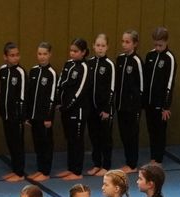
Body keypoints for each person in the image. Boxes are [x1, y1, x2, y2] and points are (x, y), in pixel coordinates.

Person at [58, 39, 91, 180]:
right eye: (71, 50)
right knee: (70, 139)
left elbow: (80, 90)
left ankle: (77, 171)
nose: (72, 53)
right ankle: (71, 168)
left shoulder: (84, 67)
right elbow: (61, 83)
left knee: (77, 140)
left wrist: (69, 104)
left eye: (76, 51)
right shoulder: (68, 64)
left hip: (78, 110)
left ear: (83, 52)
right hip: (66, 109)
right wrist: (60, 102)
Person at [26, 43, 58, 181]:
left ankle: (45, 171)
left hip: (45, 117)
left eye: (45, 54)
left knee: (46, 144)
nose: (42, 57)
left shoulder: (52, 73)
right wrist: (28, 115)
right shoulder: (33, 71)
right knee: (37, 143)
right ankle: (40, 169)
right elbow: (29, 94)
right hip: (34, 116)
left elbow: (52, 97)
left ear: (49, 55)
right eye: (40, 54)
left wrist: (49, 117)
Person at [144, 28, 176, 164]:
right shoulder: (150, 55)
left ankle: (158, 159)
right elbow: (146, 79)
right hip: (149, 102)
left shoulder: (169, 58)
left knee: (160, 132)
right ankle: (153, 157)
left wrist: (166, 106)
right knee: (151, 131)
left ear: (166, 42)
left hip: (161, 103)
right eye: (155, 45)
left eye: (160, 45)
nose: (157, 48)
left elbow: (170, 83)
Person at [87, 34, 116, 175]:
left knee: (105, 138)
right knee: (94, 137)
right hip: (91, 108)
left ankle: (106, 165)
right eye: (98, 45)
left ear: (107, 47)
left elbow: (111, 88)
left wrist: (107, 109)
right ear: (93, 46)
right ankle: (97, 163)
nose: (100, 48)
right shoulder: (89, 63)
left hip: (105, 109)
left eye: (103, 46)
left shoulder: (109, 65)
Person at [0, 42, 28, 181]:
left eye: (17, 55)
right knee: (10, 142)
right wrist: (2, 110)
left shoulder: (20, 72)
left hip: (16, 115)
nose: (15, 58)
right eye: (12, 55)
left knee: (18, 144)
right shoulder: (2, 70)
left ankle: (20, 172)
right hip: (6, 114)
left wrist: (21, 115)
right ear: (5, 57)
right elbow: (1, 92)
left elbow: (23, 95)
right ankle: (14, 169)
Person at [116, 31, 144, 170]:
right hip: (121, 105)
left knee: (132, 135)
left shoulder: (137, 61)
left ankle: (132, 164)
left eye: (127, 42)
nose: (124, 44)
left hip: (133, 107)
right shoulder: (120, 59)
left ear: (135, 44)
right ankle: (128, 161)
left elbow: (141, 85)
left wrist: (136, 105)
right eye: (123, 41)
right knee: (124, 134)